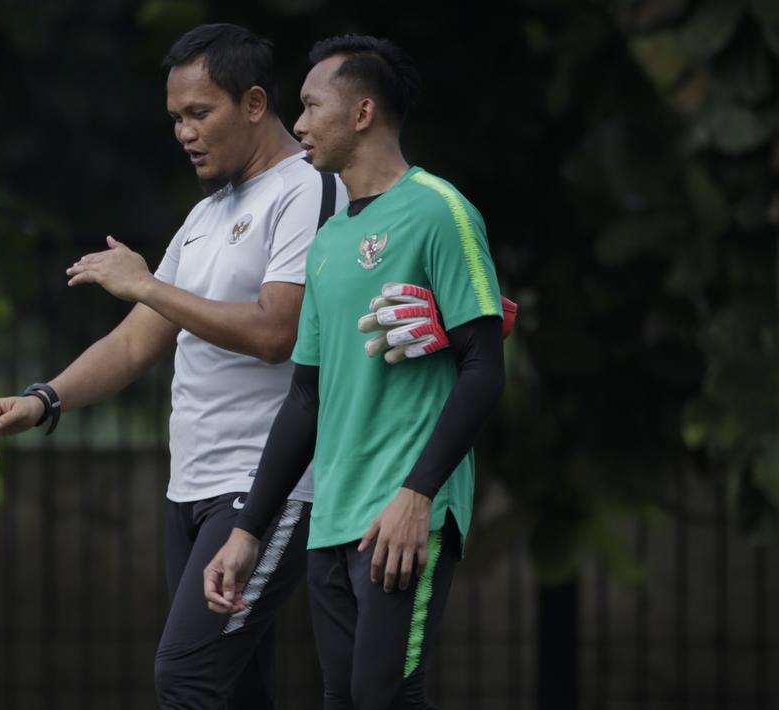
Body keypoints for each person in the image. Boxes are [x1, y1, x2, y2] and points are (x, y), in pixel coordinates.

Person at [0, 23, 344, 709]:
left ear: (254, 103)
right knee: (235, 691)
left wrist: (145, 284)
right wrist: (43, 400)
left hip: (268, 489)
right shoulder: (205, 216)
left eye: (199, 113)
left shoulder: (305, 191)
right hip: (190, 492)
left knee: (188, 675)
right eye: (176, 118)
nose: (183, 132)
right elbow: (135, 343)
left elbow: (276, 332)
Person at [204, 34, 506, 709]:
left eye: (310, 107)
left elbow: (484, 367)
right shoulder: (330, 240)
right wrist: (248, 530)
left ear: (362, 113)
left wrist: (417, 495)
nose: (300, 124)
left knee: (384, 699)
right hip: (334, 519)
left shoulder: (439, 211)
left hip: (403, 514)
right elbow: (304, 399)